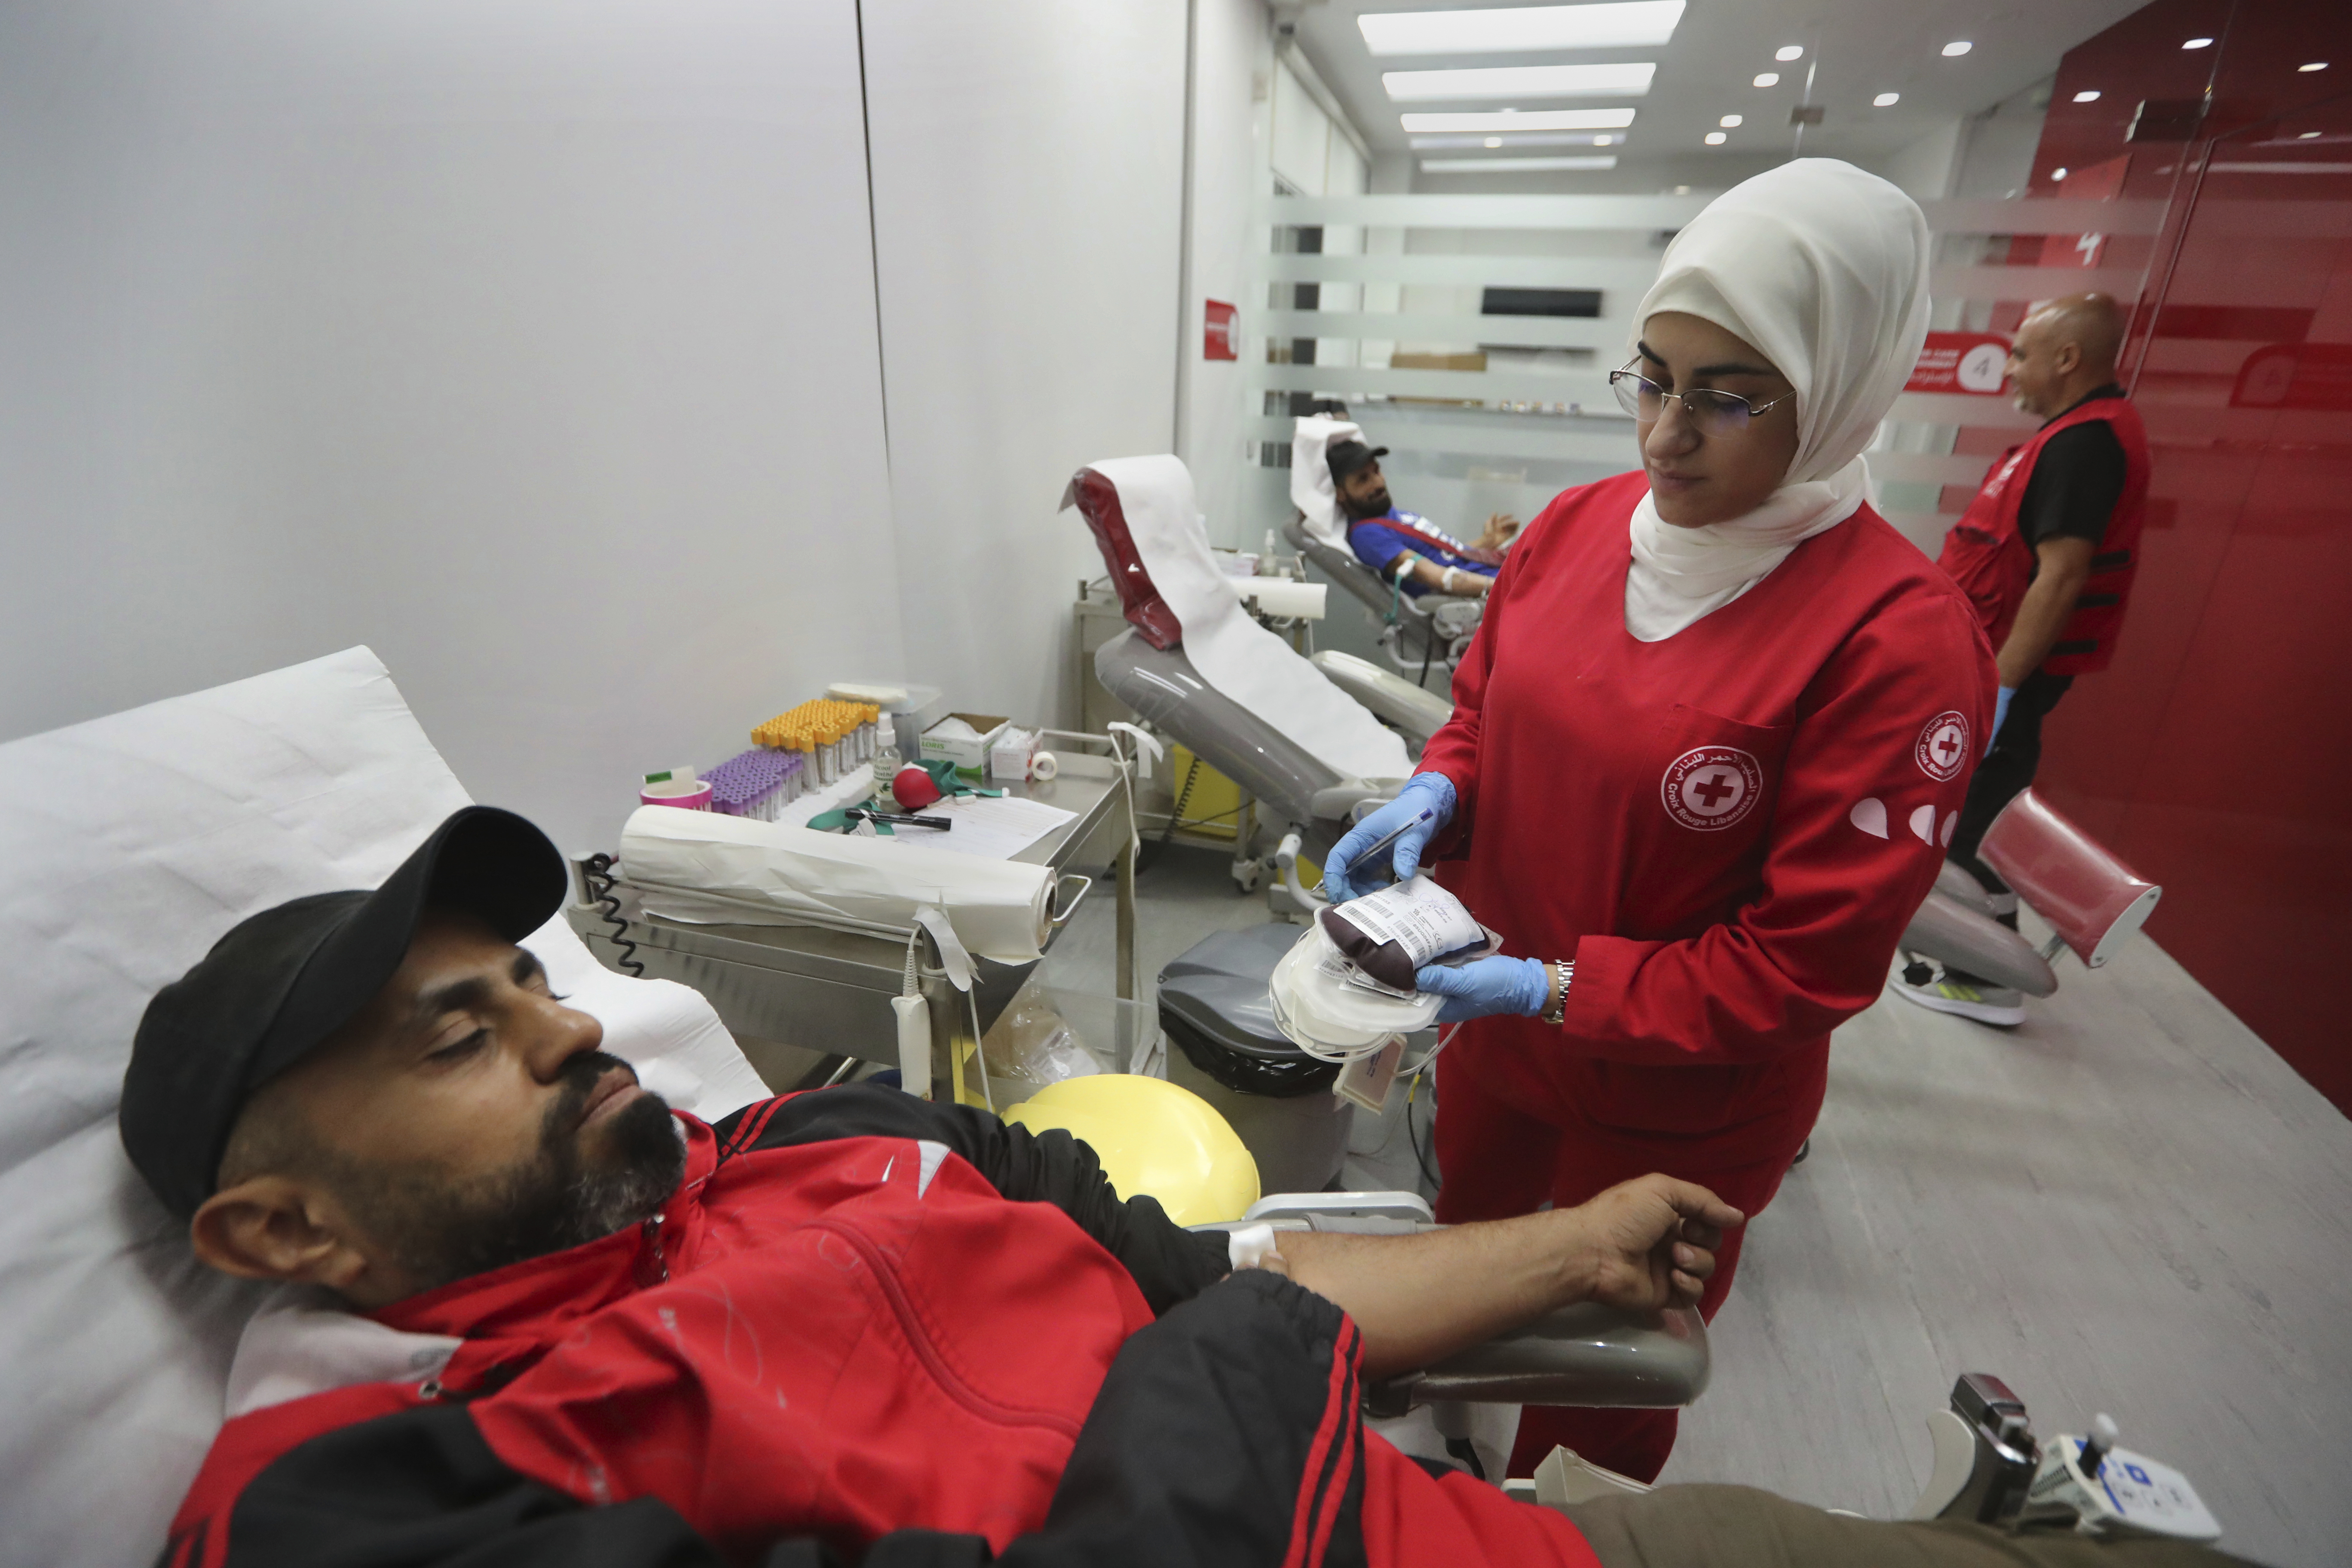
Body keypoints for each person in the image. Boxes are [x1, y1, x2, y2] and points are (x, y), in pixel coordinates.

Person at [123, 807, 2253, 1568]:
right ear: (284, 1235)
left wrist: (1562, 1239)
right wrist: (1237, 1360)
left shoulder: (820, 1136)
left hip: (1449, 1531)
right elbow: (1244, 1333)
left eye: (532, 983)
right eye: (456, 1039)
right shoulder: (356, 1497)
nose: (573, 1031)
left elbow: (1215, 1269)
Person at [1322, 159, 1997, 1485]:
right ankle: (1428, 1477)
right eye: (1652, 376)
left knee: (1602, 1379)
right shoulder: (1575, 531)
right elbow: (1481, 710)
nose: (1665, 437)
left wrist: (1555, 981)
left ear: (1842, 390)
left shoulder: (1899, 642)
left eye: (1729, 397)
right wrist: (1438, 786)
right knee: (1455, 1279)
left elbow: (1807, 962)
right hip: (1504, 1049)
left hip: (1679, 1100)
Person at [1898, 294, 2151, 1027]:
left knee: (1974, 823)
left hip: (2005, 677)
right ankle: (1982, 967)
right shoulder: (2068, 437)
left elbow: (2062, 575)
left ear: (2066, 358)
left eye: (2019, 353)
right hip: (1987, 670)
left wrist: (2000, 691)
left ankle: (1986, 980)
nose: (2009, 367)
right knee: (1972, 816)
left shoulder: (2084, 444)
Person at [1329, 437, 1516, 598]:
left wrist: (1487, 542)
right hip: (1501, 586)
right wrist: (1513, 586)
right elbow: (1440, 578)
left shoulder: (1391, 516)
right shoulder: (1368, 534)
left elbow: (1446, 559)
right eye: (1363, 479)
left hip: (1500, 575)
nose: (1379, 482)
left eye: (1377, 471)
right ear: (1341, 494)